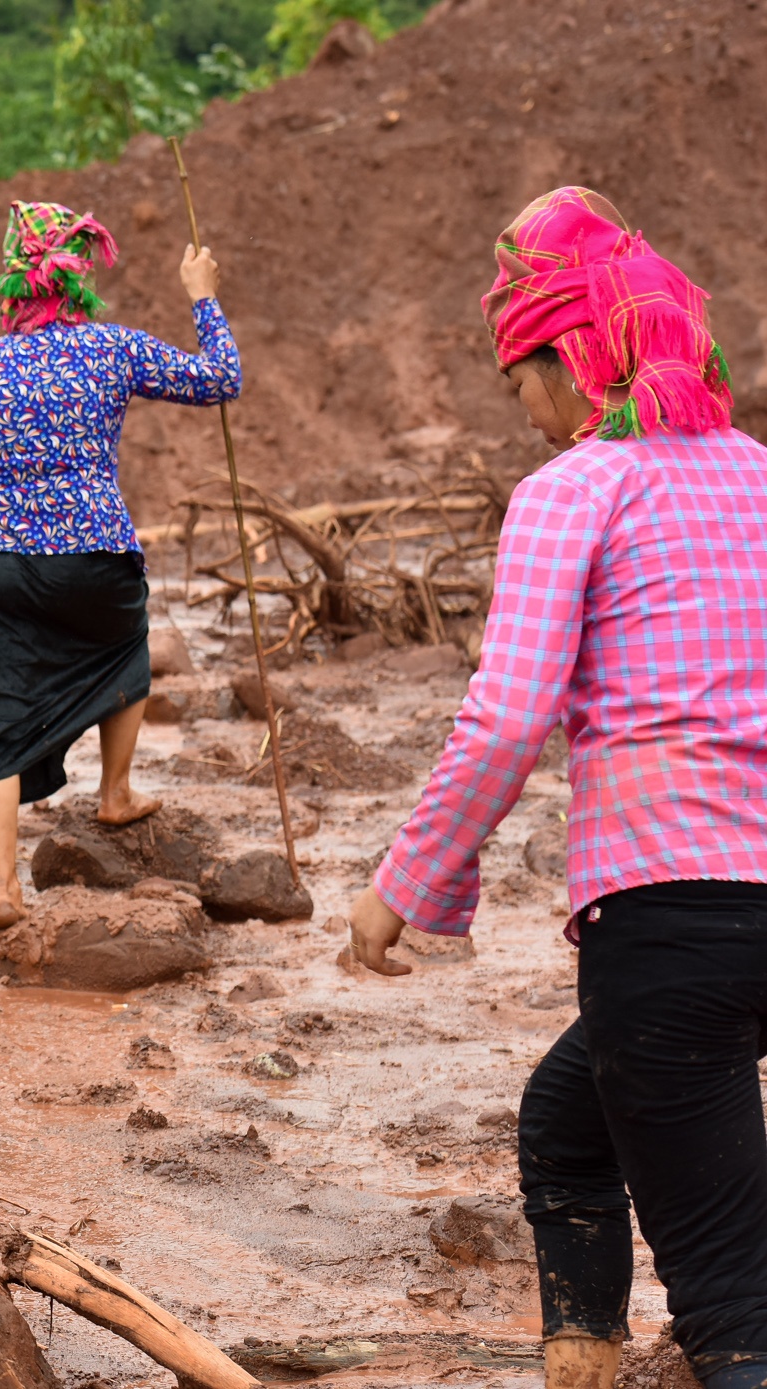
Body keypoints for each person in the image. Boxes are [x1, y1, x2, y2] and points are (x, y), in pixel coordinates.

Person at [347, 188, 765, 1389]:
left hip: (671, 927)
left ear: (575, 358)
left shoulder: (575, 492)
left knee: (739, 1311)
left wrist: (405, 887)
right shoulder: (762, 477)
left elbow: (509, 720)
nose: (524, 413)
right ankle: (583, 1363)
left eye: (521, 382)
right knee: (566, 1125)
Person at [0, 200, 238, 929]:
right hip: (94, 548)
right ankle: (115, 790)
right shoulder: (113, 348)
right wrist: (202, 292)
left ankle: (2, 892)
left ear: (14, 282)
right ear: (81, 276)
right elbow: (221, 379)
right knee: (124, 646)